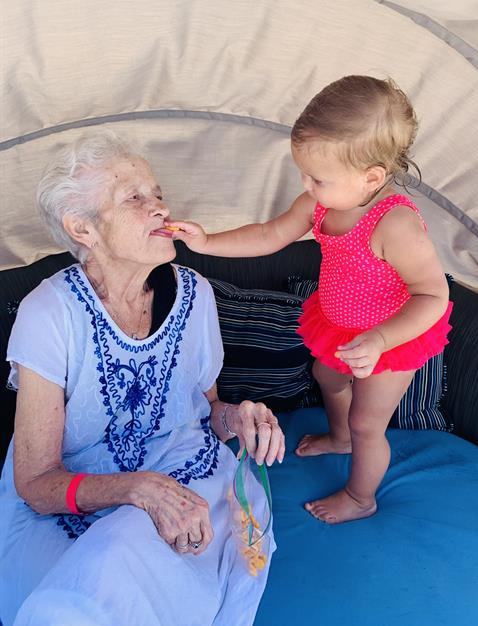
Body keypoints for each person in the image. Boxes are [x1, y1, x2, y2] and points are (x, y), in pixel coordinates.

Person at [0, 131, 285, 626]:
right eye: (135, 198)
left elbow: (206, 410)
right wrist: (137, 489)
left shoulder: (195, 294)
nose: (159, 208)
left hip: (185, 473)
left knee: (129, 558)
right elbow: (37, 482)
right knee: (71, 602)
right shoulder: (48, 314)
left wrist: (238, 417)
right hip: (70, 500)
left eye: (157, 194)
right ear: (82, 228)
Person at [168, 75, 452, 525]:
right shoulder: (321, 203)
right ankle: (339, 437)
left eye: (318, 177)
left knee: (367, 423)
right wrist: (207, 242)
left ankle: (362, 496)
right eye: (304, 172)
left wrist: (379, 340)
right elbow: (269, 235)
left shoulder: (394, 225)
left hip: (391, 339)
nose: (306, 184)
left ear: (371, 178)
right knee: (325, 373)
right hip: (341, 324)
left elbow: (434, 295)